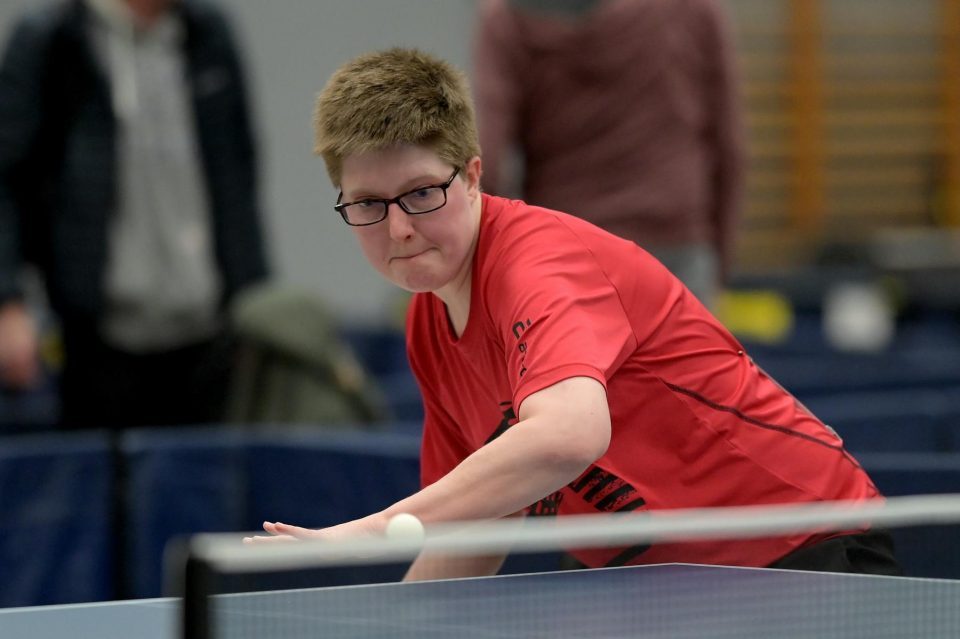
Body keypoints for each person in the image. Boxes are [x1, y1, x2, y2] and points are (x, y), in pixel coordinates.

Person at [250, 48, 899, 580]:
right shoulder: (429, 321)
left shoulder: (539, 266)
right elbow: (480, 519)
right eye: (367, 203)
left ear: (473, 175)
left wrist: (372, 529)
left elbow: (567, 435)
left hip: (802, 547)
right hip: (666, 582)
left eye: (421, 193)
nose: (397, 229)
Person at [0, 0, 269, 429]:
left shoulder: (209, 35)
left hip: (208, 333)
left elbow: (237, 176)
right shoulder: (52, 39)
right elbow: (5, 178)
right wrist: (7, 301)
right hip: (92, 337)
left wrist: (255, 297)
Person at [473, 0, 745, 309]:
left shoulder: (508, 15)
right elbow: (728, 148)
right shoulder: (693, 8)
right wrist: (716, 264)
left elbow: (487, 166)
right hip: (677, 255)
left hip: (566, 257)